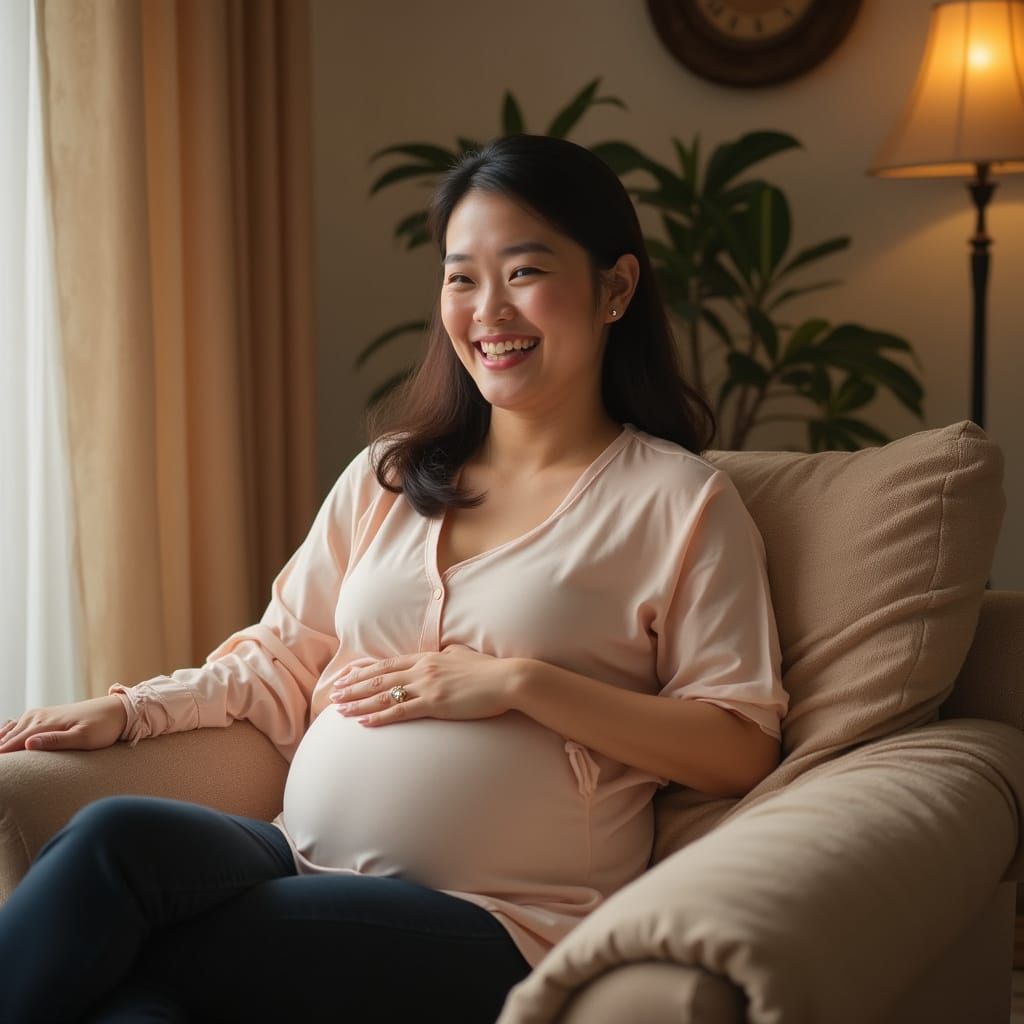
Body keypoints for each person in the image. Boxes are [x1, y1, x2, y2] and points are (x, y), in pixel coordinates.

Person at [0, 133, 789, 1023]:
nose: (489, 310)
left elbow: (739, 745)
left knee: (144, 952)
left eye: (525, 272)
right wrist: (131, 710)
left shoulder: (679, 503)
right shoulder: (389, 475)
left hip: (502, 922)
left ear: (616, 288)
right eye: (461, 278)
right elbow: (281, 657)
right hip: (299, 863)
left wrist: (520, 683)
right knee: (113, 843)